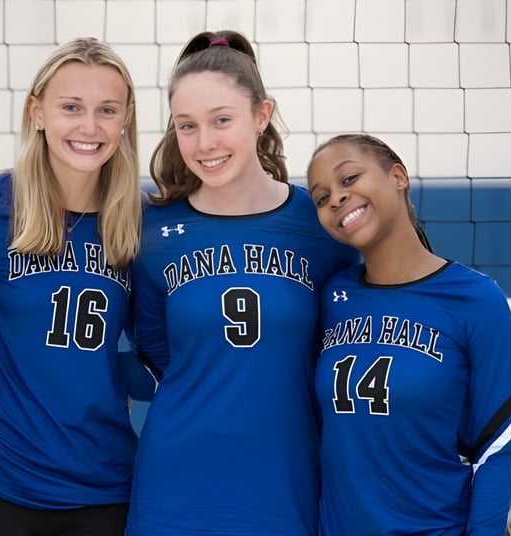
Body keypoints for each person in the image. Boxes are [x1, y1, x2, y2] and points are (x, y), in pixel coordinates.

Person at [125, 30, 360, 535]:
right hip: (175, 485)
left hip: (285, 483)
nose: (204, 143)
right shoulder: (153, 234)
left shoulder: (319, 225)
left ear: (261, 115)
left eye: (222, 120)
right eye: (186, 126)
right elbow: (157, 351)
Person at [0, 37, 145, 535]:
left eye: (107, 110)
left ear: (126, 118)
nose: (89, 127)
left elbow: (157, 351)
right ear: (37, 111)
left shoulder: (142, 223)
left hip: (103, 488)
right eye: (71, 107)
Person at [306, 133, 511, 535]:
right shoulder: (331, 297)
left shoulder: (475, 298)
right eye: (321, 197)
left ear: (398, 176)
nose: (335, 198)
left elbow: (496, 450)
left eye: (348, 179)